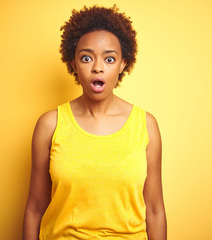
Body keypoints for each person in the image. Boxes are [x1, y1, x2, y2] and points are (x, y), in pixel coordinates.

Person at [23, 5, 167, 240]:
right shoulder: (50, 125)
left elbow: (155, 210)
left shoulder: (146, 125)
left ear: (122, 64)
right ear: (73, 64)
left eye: (109, 59)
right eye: (86, 58)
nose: (97, 67)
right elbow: (35, 208)